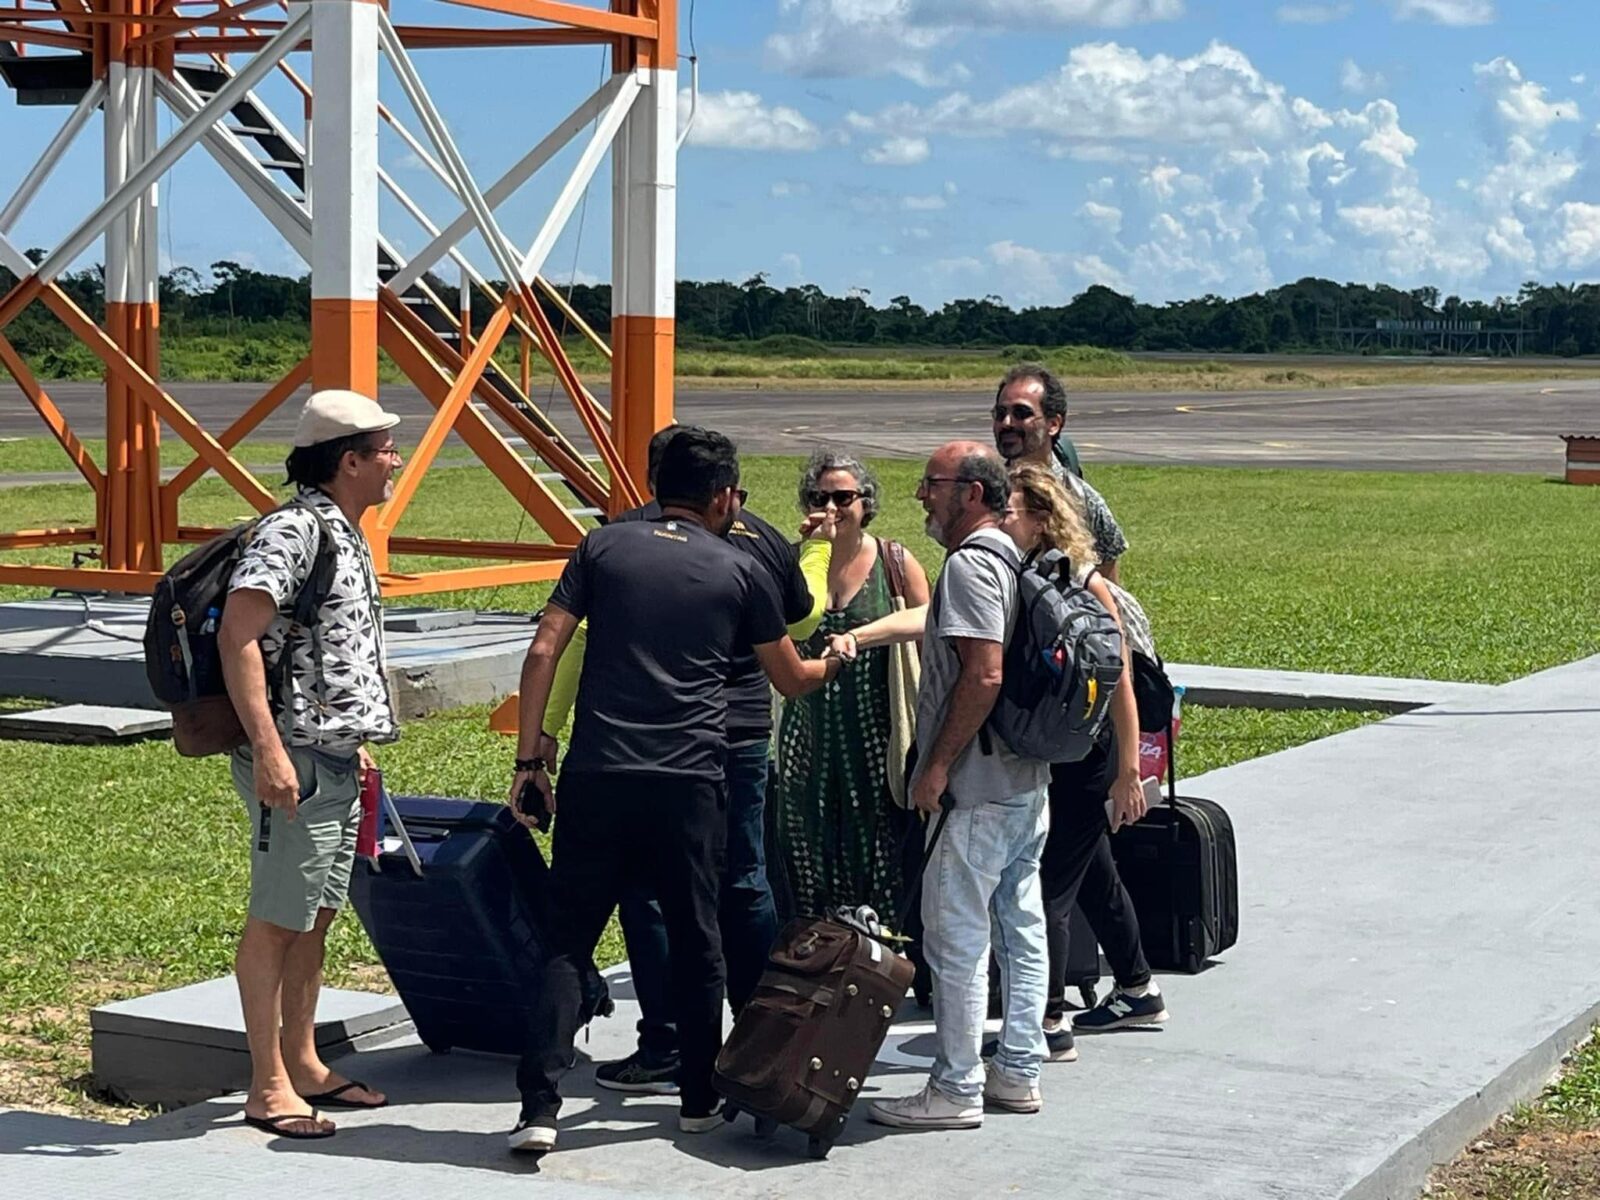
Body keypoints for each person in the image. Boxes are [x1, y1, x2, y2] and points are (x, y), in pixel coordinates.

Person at [505, 428, 845, 1154]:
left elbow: (544, 648)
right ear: (725, 496)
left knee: (568, 941)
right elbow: (790, 676)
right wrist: (835, 661)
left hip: (598, 774)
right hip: (691, 778)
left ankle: (538, 1108)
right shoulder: (739, 566)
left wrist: (530, 759)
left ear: (657, 486)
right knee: (699, 940)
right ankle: (696, 1101)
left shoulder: (602, 548)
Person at [218, 390, 403, 1140]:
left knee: (316, 915)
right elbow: (239, 636)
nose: (396, 460)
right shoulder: (294, 531)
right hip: (294, 758)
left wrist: (350, 736)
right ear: (348, 461)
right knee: (275, 920)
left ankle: (303, 1060)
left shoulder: (343, 530)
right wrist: (269, 750)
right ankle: (267, 1085)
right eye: (385, 449)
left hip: (332, 756)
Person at [865, 441, 1052, 1131]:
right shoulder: (1016, 557)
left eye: (932, 483)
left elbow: (984, 675)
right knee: (1020, 927)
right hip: (1025, 777)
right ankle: (1017, 1072)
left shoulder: (973, 565)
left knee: (958, 939)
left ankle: (955, 1087)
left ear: (971, 493)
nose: (922, 495)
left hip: (976, 788)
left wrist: (938, 763)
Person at [1000, 464, 1167, 1061]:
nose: (998, 520)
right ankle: (1137, 987)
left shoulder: (1083, 584)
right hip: (1065, 749)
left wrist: (1128, 772)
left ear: (1042, 519)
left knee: (1046, 886)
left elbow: (1119, 677)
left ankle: (1048, 1021)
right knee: (1092, 873)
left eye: (1009, 511)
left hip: (1087, 755)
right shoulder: (1021, 575)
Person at [770, 449, 930, 924]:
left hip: (876, 732)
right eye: (820, 498)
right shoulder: (798, 564)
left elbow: (931, 617)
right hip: (807, 735)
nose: (832, 508)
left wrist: (862, 636)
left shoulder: (893, 560)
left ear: (865, 503)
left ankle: (881, 956)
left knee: (879, 847)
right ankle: (817, 955)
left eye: (843, 497)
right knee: (806, 847)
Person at [991, 362, 1128, 583]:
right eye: (1000, 413)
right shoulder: (983, 491)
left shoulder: (1083, 500)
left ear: (1053, 424)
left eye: (1021, 413)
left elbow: (1109, 589)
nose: (1007, 423)